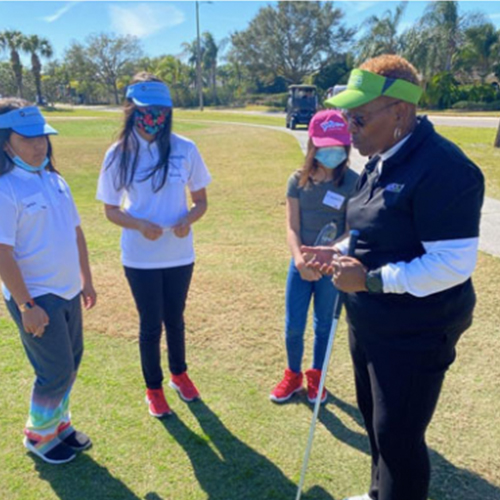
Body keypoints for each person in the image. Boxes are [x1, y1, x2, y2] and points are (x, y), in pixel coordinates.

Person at [303, 55, 484, 500]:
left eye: (359, 118)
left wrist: (371, 281)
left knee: (398, 437)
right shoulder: (379, 158)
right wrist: (337, 251)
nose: (349, 128)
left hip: (416, 330)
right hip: (370, 320)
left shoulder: (446, 169)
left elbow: (453, 264)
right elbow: (369, 230)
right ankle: (376, 493)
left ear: (400, 112)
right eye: (347, 117)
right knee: (374, 422)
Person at [97, 73, 211, 419]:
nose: (154, 117)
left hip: (179, 254)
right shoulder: (118, 154)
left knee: (175, 318)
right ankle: (154, 389)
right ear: (131, 108)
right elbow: (111, 209)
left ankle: (179, 374)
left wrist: (188, 219)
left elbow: (201, 201)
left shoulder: (185, 148)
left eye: (161, 111)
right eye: (147, 110)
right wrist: (139, 224)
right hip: (140, 257)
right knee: (151, 324)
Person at [0, 99, 97, 465]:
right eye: (27, 138)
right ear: (5, 142)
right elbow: (2, 253)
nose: (38, 145)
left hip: (68, 289)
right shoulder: (5, 189)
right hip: (37, 298)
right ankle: (38, 435)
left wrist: (86, 279)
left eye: (41, 136)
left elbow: (76, 233)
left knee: (71, 363)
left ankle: (59, 424)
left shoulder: (56, 180)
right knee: (54, 371)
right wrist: (27, 305)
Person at [270, 110, 359, 404]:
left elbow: (350, 232)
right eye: (325, 145)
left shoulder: (353, 182)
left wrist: (329, 253)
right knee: (294, 325)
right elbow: (292, 227)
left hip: (331, 268)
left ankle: (317, 377)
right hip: (300, 265)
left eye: (338, 145)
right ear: (313, 145)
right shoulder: (297, 181)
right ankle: (293, 375)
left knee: (324, 325)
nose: (332, 151)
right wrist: (299, 260)